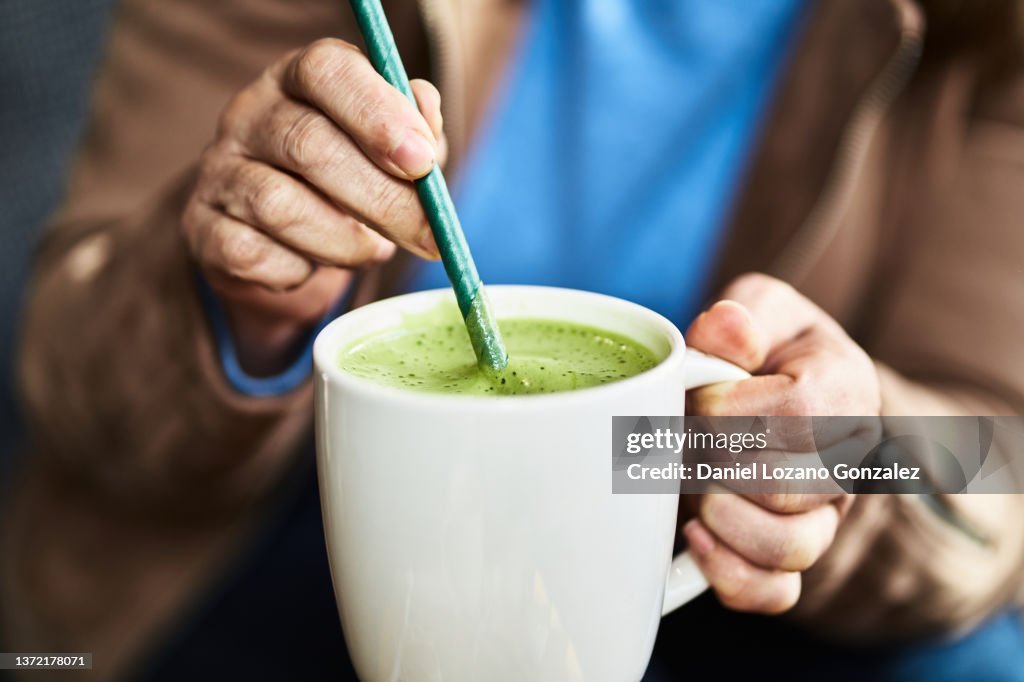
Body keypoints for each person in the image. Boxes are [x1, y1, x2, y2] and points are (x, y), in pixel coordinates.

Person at [2, 0, 1023, 680]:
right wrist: (240, 296)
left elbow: (997, 467)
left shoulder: (990, 36)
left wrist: (805, 452)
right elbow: (60, 361)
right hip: (303, 524)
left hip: (706, 572)